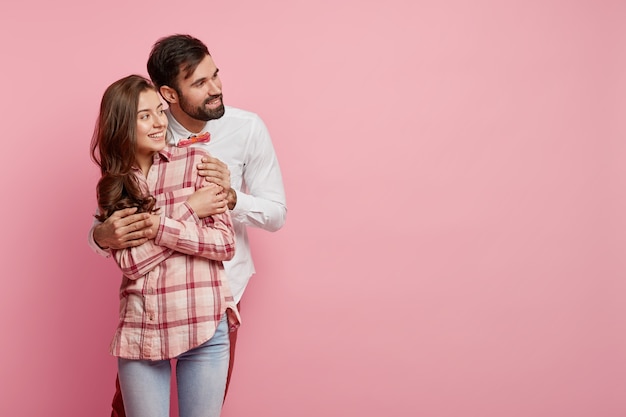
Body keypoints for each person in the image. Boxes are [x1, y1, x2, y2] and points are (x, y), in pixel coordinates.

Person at [88, 35, 287, 416]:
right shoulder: (143, 147)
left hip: (216, 295)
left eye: (215, 76)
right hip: (148, 306)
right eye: (199, 83)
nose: (215, 89)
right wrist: (101, 235)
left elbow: (273, 215)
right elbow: (114, 235)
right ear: (169, 94)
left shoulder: (245, 130)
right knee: (125, 407)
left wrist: (230, 198)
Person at [91, 74, 240, 417]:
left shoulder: (197, 162)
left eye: (160, 111)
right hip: (143, 328)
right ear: (122, 124)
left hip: (202, 321)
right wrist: (190, 210)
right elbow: (131, 263)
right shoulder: (115, 185)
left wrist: (157, 226)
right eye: (145, 116)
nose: (160, 122)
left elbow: (223, 243)